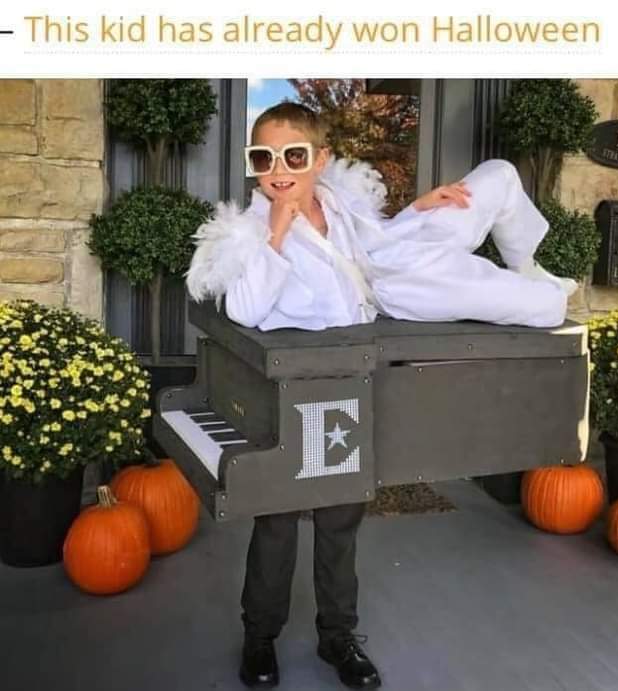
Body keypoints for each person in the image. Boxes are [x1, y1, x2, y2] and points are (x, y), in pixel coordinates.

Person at [184, 102, 578, 690]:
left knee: (342, 515)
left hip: (375, 324)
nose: (279, 170)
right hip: (296, 385)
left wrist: (419, 209)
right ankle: (260, 637)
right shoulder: (251, 231)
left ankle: (337, 636)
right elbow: (245, 309)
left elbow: (373, 247)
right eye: (263, 158)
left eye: (293, 156)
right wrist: (276, 233)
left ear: (319, 159)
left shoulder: (337, 202)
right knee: (278, 518)